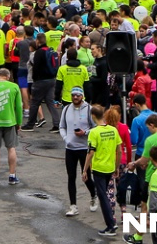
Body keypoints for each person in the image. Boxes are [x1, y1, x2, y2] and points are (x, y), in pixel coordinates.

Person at [83, 104, 121, 237]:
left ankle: (111, 225)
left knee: (103, 196)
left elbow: (90, 153)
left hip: (99, 168)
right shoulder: (113, 130)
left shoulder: (94, 132)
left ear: (93, 116)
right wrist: (116, 167)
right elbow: (119, 150)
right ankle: (112, 222)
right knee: (107, 194)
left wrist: (84, 170)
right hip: (110, 167)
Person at [59, 86, 97, 216]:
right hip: (70, 148)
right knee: (71, 177)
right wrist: (65, 138)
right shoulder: (66, 109)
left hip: (84, 149)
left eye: (78, 95)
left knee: (86, 176)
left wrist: (85, 132)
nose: (75, 97)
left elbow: (96, 127)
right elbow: (62, 127)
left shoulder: (89, 110)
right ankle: (73, 206)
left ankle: (93, 195)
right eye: (73, 95)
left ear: (82, 96)